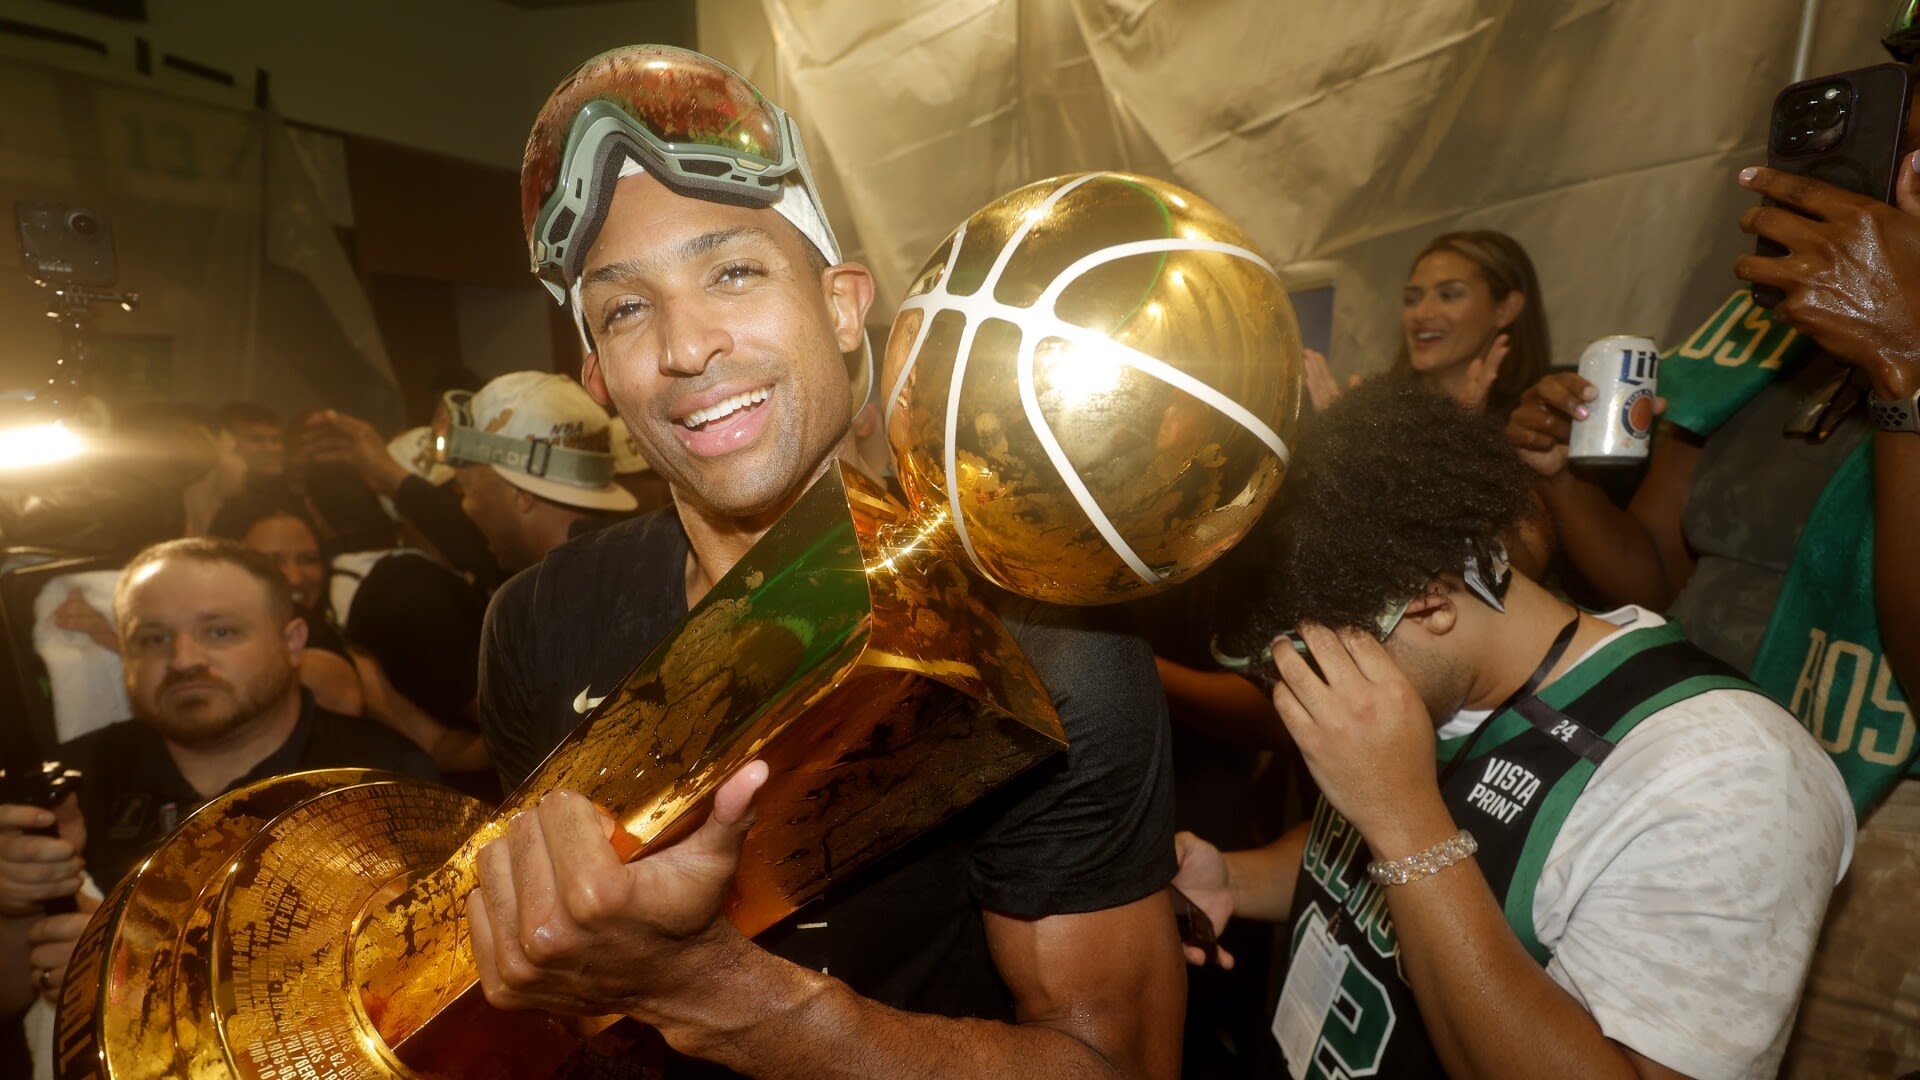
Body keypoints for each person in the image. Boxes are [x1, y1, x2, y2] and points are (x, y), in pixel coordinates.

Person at [466, 43, 1183, 1078]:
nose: (686, 346)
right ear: (597, 377)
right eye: (626, 308)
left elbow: (1115, 1063)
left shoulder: (1044, 645)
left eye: (734, 272)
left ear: (845, 304)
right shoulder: (537, 620)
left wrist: (715, 993)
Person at [1177, 379, 1853, 1078]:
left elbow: (1408, 842)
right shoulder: (1435, 685)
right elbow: (1354, 860)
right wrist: (1234, 879)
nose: (1298, 693)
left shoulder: (1732, 777)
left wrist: (1405, 818)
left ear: (1431, 601)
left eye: (1311, 660)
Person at [1504, 104, 1920, 1074]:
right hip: (1687, 771)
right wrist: (1559, 478)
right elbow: (1655, 574)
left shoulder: (1892, 331)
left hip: (1880, 816)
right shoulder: (1768, 324)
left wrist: (1906, 363)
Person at [0, 538, 435, 1074]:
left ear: (292, 640)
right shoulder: (68, 781)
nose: (183, 659)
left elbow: (423, 995)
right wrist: (19, 901)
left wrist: (138, 975)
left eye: (220, 632)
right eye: (152, 638)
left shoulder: (383, 783)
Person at [1304, 230, 1550, 418]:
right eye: (1412, 299)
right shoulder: (1377, 415)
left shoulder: (1535, 422)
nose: (1422, 313)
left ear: (1506, 309)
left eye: (1449, 295)